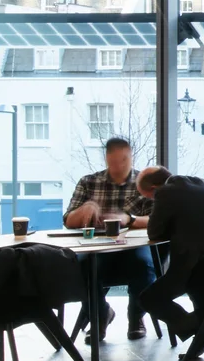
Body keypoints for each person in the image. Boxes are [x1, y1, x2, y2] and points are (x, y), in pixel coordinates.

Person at [135, 166, 204, 361]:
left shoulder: (165, 192)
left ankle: (201, 327)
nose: (151, 202)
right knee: (189, 280)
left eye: (148, 198)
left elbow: (154, 233)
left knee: (149, 299)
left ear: (154, 189)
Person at [63, 136, 156, 341]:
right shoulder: (89, 182)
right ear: (106, 159)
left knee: (144, 266)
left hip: (133, 247)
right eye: (113, 162)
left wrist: (129, 219)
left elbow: (157, 220)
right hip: (97, 247)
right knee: (80, 269)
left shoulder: (144, 183)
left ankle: (136, 316)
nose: (118, 166)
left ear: (131, 158)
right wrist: (85, 209)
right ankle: (101, 314)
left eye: (123, 161)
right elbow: (68, 220)